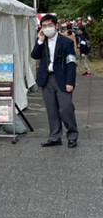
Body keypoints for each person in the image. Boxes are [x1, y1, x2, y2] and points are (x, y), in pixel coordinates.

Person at [31, 14, 78, 148]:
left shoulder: (66, 42)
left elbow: (71, 63)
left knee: (65, 108)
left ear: (56, 25)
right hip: (46, 79)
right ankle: (55, 136)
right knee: (51, 110)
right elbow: (34, 55)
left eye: (49, 25)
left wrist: (70, 82)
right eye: (44, 26)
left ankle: (72, 135)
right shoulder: (42, 41)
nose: (47, 28)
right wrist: (39, 40)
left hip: (62, 79)